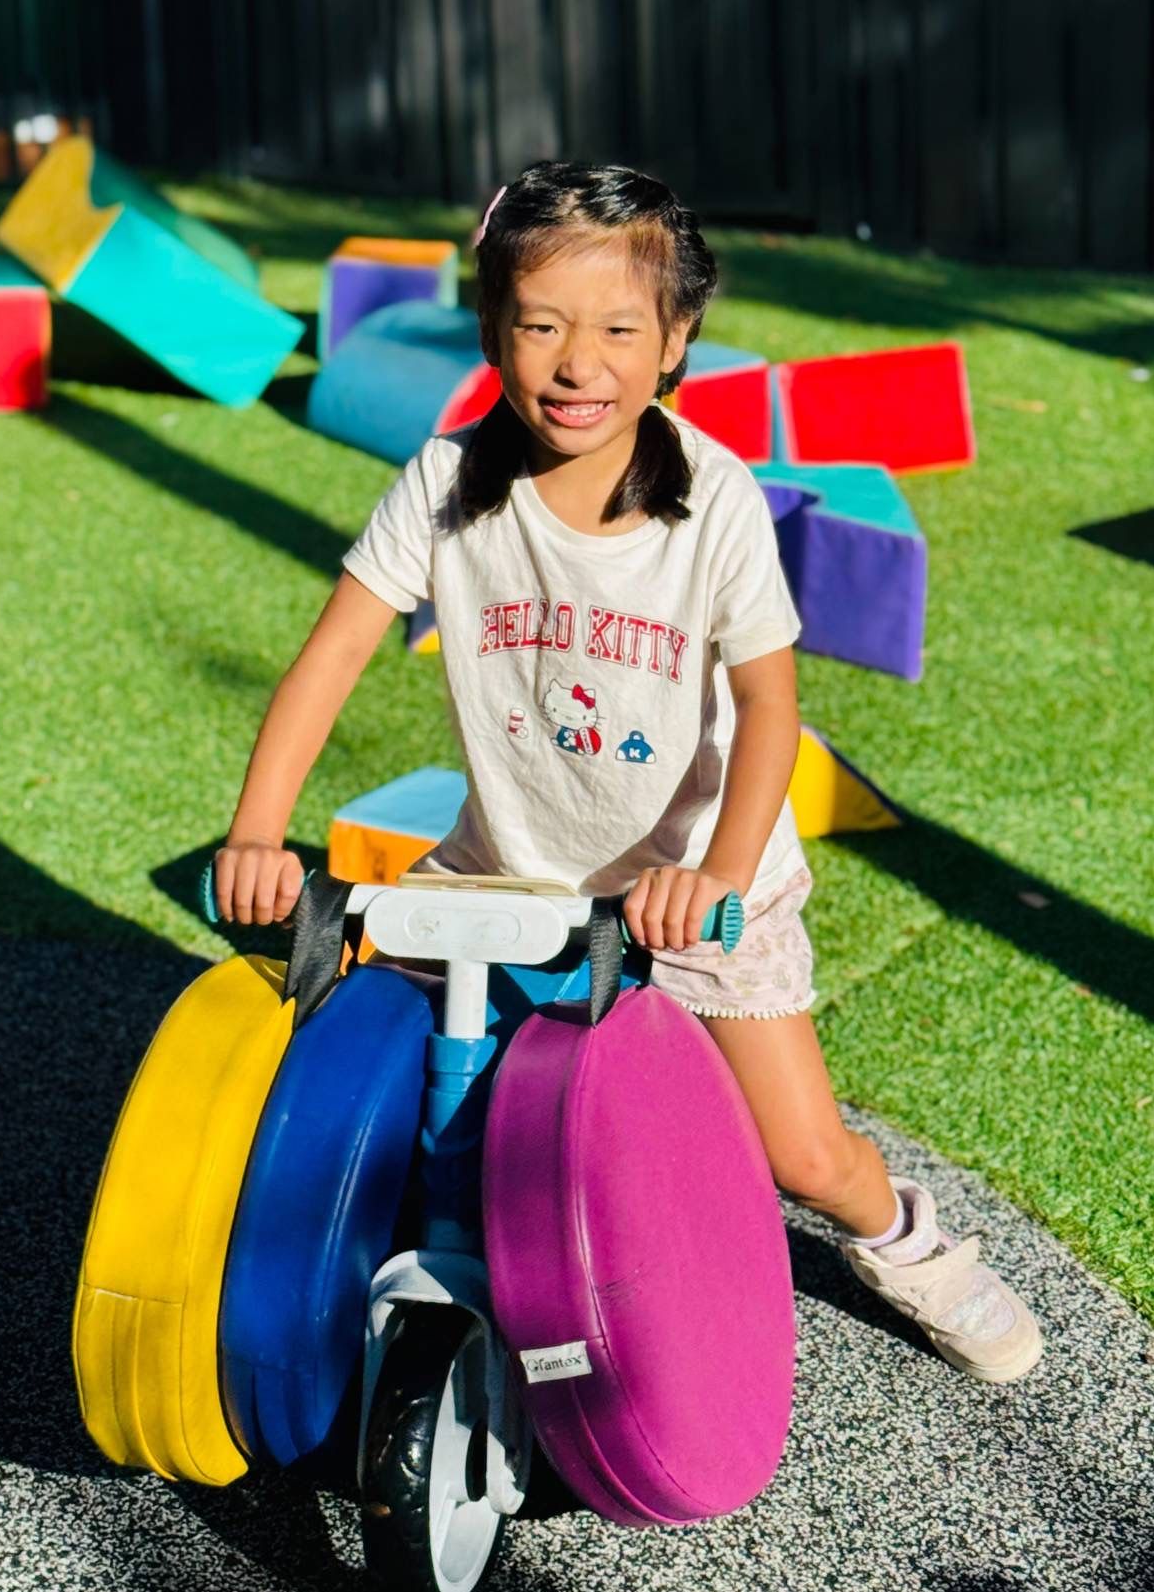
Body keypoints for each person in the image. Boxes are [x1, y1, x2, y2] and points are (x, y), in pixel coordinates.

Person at [213, 161, 1042, 1384]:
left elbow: (769, 705)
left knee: (799, 1154)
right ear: (492, 326)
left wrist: (713, 869)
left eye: (615, 330)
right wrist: (256, 829)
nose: (573, 363)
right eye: (540, 325)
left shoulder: (713, 504)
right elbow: (331, 655)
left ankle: (909, 1245)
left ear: (675, 343)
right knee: (399, 1069)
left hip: (696, 889)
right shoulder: (446, 488)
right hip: (514, 873)